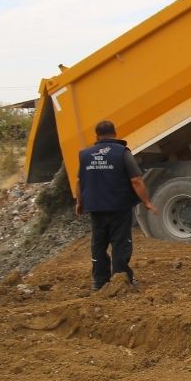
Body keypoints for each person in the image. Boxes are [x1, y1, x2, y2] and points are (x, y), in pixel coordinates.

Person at [75, 121, 157, 290]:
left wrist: (79, 203)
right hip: (119, 207)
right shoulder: (122, 153)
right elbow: (136, 180)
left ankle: (99, 282)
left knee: (98, 243)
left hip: (96, 208)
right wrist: (146, 201)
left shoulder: (84, 155)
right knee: (120, 243)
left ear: (96, 136)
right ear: (115, 133)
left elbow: (79, 181)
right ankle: (121, 280)